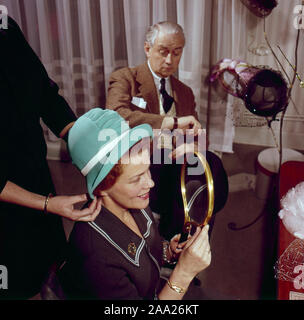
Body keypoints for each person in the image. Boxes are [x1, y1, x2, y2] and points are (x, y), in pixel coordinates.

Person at [59, 108, 211, 300]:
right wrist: (183, 273)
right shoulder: (96, 256)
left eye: (147, 170)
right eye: (135, 179)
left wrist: (168, 251)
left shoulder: (135, 202)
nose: (150, 183)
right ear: (101, 188)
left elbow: (144, 251)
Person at [0, 17, 100, 300]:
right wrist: (46, 204)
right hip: (7, 208)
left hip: (35, 176)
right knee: (19, 283)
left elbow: (45, 93)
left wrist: (82, 140)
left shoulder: (4, 26)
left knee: (52, 262)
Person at [106, 21, 228, 240]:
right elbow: (116, 115)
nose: (170, 60)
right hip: (139, 163)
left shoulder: (185, 92)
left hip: (175, 165)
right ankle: (179, 246)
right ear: (147, 49)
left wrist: (192, 145)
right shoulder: (125, 78)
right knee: (194, 179)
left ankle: (188, 243)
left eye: (176, 52)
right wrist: (171, 122)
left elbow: (196, 133)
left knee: (207, 165)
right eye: (163, 52)